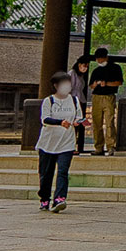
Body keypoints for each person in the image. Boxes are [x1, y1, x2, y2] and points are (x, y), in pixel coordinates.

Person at [36, 71, 85, 213]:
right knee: (46, 173)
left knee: (63, 171)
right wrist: (60, 122)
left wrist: (78, 122)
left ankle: (60, 198)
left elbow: (78, 117)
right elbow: (45, 119)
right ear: (56, 86)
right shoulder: (49, 101)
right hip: (48, 142)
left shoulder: (74, 100)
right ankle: (45, 198)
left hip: (67, 142)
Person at [88, 48, 125, 156]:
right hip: (96, 97)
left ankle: (111, 146)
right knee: (97, 123)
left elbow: (119, 82)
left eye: (101, 59)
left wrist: (107, 83)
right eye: (98, 59)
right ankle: (98, 147)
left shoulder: (115, 68)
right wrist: (95, 85)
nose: (99, 61)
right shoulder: (96, 71)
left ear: (106, 57)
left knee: (109, 122)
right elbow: (91, 85)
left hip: (109, 96)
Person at [70, 55, 91, 154]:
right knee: (72, 124)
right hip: (73, 100)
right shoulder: (72, 74)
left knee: (78, 124)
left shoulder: (81, 76)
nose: (85, 68)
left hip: (80, 100)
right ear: (79, 65)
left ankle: (74, 145)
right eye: (84, 66)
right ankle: (71, 146)